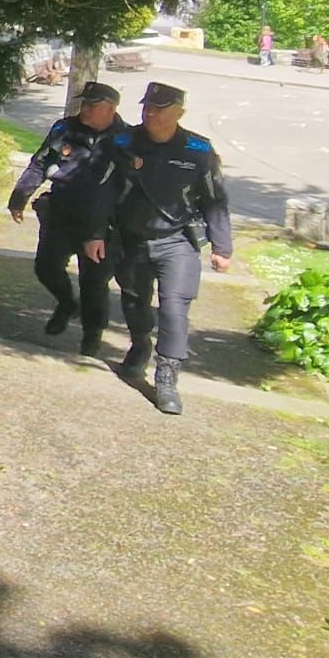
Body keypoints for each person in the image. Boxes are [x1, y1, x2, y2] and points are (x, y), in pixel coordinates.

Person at [83, 81, 232, 416]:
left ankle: (167, 379)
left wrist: (222, 247)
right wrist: (94, 234)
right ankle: (139, 345)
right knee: (135, 302)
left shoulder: (197, 149)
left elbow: (215, 199)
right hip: (132, 240)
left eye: (159, 110)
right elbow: (102, 192)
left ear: (179, 113)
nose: (151, 115)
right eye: (147, 108)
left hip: (177, 242)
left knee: (174, 309)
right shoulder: (122, 143)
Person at [7, 81, 126, 356]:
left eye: (92, 105)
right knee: (46, 267)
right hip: (61, 212)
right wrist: (20, 196)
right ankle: (66, 302)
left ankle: (91, 337)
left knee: (94, 282)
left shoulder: (126, 138)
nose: (85, 109)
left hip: (102, 223)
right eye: (84, 103)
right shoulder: (65, 129)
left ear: (111, 109)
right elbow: (40, 163)